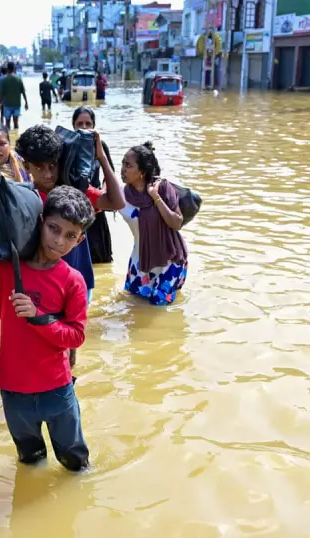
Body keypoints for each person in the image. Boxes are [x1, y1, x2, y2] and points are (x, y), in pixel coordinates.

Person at [0, 186, 94, 471]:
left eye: (70, 235)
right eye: (54, 228)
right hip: (14, 390)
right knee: (30, 461)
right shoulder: (7, 269)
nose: (59, 241)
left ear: (79, 241)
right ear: (40, 222)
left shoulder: (73, 280)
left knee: (76, 464)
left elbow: (76, 336)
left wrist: (38, 316)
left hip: (57, 390)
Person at [16, 125, 124, 366]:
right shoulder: (24, 199)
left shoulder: (73, 194)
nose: (47, 174)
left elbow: (116, 202)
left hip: (77, 280)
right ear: (26, 167)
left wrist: (101, 157)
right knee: (44, 345)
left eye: (52, 165)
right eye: (39, 167)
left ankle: (69, 381)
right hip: (44, 285)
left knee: (71, 345)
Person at [119, 142, 188, 306]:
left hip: (169, 260)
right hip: (140, 260)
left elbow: (177, 222)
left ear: (141, 172)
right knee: (133, 306)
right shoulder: (121, 194)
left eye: (128, 165)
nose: (122, 169)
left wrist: (155, 197)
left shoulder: (163, 187)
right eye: (122, 163)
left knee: (158, 308)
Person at [73, 106, 114, 264]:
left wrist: (102, 195)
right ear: (73, 125)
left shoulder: (100, 145)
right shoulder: (68, 145)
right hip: (75, 209)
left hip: (97, 208)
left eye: (88, 124)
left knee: (100, 260)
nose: (84, 128)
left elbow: (109, 174)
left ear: (94, 126)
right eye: (80, 124)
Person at [0, 61, 28, 130]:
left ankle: (9, 139)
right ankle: (16, 137)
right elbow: (23, 92)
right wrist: (26, 102)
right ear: (14, 68)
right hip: (17, 104)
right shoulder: (18, 79)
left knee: (7, 124)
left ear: (7, 68)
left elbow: (1, 94)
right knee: (16, 123)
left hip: (7, 105)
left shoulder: (4, 80)